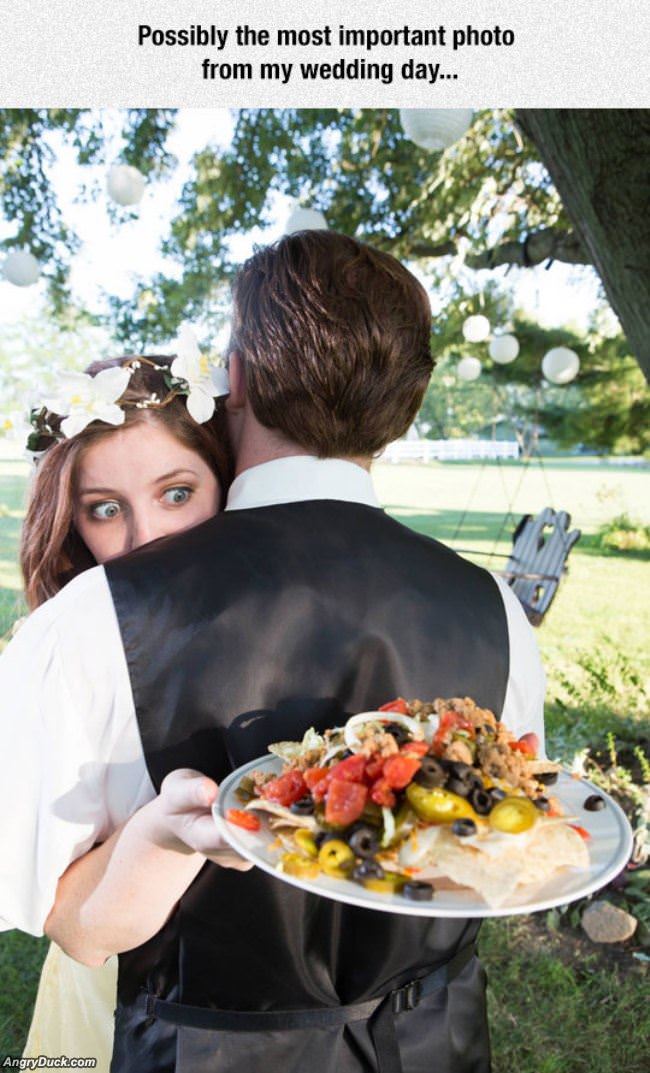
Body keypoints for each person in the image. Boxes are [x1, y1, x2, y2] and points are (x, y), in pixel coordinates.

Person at [0, 231, 545, 1073]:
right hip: (428, 1044)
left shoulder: (94, 618)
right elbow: (497, 854)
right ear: (414, 396)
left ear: (239, 378)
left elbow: (75, 925)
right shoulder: (497, 611)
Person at [9, 353, 232, 1069]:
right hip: (117, 1012)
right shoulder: (65, 651)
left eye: (176, 492)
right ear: (73, 524)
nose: (147, 539)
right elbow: (72, 926)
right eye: (106, 509)